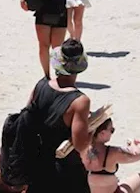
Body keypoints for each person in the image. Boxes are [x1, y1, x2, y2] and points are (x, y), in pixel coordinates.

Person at [27, 40, 94, 192]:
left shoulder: (40, 86)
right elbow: (80, 144)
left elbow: (27, 117)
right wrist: (92, 130)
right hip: (65, 171)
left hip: (38, 163)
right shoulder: (80, 101)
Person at [22, 0, 71, 78]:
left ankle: (58, 73)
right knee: (43, 46)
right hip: (43, 15)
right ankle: (46, 75)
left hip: (60, 16)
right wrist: (22, 0)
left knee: (57, 49)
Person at [83, 109, 140, 193]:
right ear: (102, 133)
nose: (112, 132)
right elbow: (138, 155)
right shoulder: (112, 152)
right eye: (111, 130)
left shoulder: (78, 150)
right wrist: (132, 144)